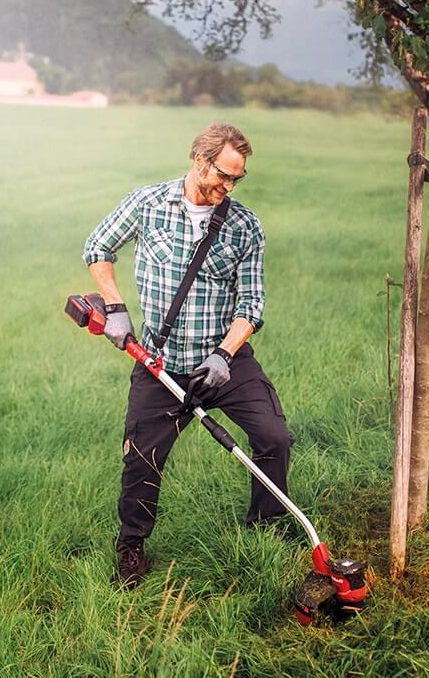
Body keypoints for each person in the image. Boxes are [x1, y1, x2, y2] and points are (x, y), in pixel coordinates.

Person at [82, 122, 293, 588]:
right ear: (200, 160)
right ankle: (131, 547)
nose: (229, 186)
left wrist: (222, 356)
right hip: (159, 363)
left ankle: (265, 530)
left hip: (224, 362)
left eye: (238, 179)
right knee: (142, 459)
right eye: (224, 174)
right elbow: (98, 247)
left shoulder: (244, 225)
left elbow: (251, 303)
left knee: (274, 438)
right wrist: (114, 309)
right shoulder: (148, 204)